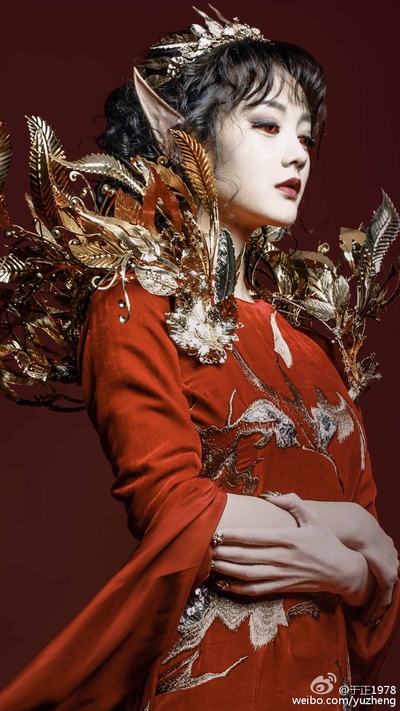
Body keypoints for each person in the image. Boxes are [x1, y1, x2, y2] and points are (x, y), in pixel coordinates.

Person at [0, 6, 398, 711]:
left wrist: (348, 574)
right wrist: (355, 536)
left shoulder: (316, 349)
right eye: (268, 125)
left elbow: (379, 580)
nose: (298, 153)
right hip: (218, 681)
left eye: (306, 135)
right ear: (184, 136)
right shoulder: (132, 300)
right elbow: (177, 507)